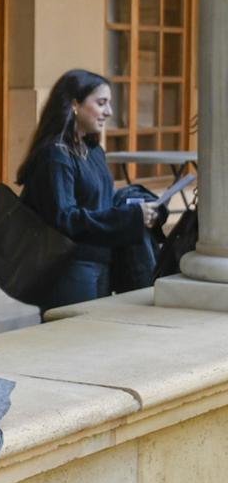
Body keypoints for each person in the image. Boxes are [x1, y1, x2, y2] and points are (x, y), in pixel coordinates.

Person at [17, 69, 158, 309]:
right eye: (101, 103)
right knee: (71, 342)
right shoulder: (56, 155)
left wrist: (139, 210)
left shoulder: (92, 150)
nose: (109, 112)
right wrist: (129, 217)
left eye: (109, 103)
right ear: (74, 104)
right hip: (70, 269)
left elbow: (99, 202)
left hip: (100, 262)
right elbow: (65, 218)